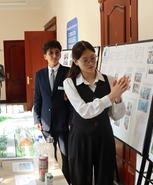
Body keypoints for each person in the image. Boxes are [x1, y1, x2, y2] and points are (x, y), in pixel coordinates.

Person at [63, 41, 130, 185]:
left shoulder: (109, 80)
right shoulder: (69, 83)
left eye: (93, 58)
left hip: (104, 136)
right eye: (85, 60)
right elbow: (84, 111)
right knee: (80, 178)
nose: (90, 63)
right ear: (76, 61)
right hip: (80, 138)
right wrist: (111, 96)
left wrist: (118, 98)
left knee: (105, 178)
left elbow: (116, 115)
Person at [33, 40, 71, 184]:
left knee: (66, 156)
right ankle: (50, 181)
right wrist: (37, 119)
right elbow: (37, 99)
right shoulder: (40, 74)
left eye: (57, 53)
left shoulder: (68, 72)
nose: (55, 56)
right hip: (46, 124)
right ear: (45, 56)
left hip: (64, 124)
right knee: (48, 156)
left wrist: (71, 121)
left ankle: (67, 180)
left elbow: (73, 102)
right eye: (51, 53)